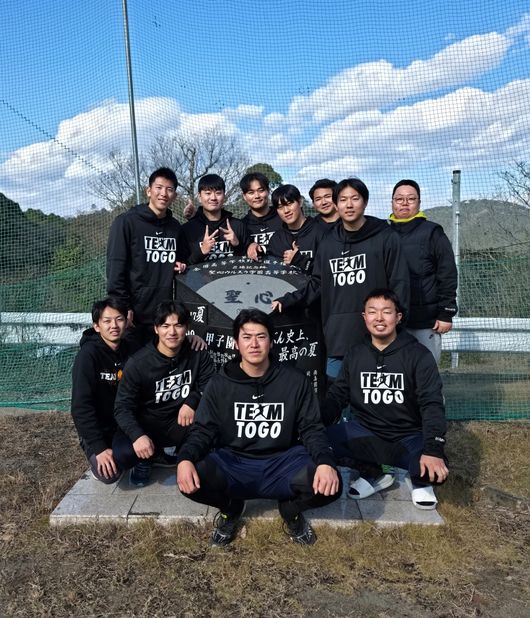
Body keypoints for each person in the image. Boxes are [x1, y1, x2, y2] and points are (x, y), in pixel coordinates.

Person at [176, 309, 341, 546]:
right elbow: (202, 430)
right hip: (234, 462)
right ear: (236, 344)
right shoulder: (219, 384)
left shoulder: (295, 381)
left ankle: (290, 509)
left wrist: (325, 461)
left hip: (282, 461)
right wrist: (185, 458)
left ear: (271, 342)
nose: (254, 344)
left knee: (331, 483)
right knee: (191, 477)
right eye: (247, 337)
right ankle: (231, 508)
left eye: (261, 337)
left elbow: (311, 428)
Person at [272, 178, 409, 380]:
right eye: (343, 199)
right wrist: (287, 300)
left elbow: (399, 283)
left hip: (378, 337)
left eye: (355, 198)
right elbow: (317, 284)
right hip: (338, 338)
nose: (349, 204)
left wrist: (398, 326)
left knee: (372, 396)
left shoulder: (386, 237)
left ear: (365, 202)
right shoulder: (328, 243)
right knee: (338, 394)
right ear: (337, 205)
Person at [323, 289, 448, 510]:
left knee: (434, 470)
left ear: (398, 317)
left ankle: (419, 481)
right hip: (367, 433)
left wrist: (433, 450)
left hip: (408, 436)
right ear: (364, 317)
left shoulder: (418, 355)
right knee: (317, 442)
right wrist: (313, 422)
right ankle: (375, 473)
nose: (379, 318)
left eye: (386, 312)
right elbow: (337, 395)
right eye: (372, 312)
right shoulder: (355, 353)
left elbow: (432, 405)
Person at [113, 301, 215, 487]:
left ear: (187, 328)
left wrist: (192, 401)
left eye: (178, 325)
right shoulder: (138, 363)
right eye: (165, 326)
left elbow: (210, 385)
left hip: (181, 421)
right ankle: (146, 459)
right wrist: (137, 435)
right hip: (149, 424)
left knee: (215, 435)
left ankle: (181, 455)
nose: (172, 332)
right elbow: (122, 407)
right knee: (123, 454)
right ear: (156, 328)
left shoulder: (198, 353)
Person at [106, 167, 187, 346]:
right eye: (159, 188)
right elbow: (115, 268)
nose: (163, 193)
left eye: (169, 189)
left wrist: (180, 265)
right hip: (133, 317)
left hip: (164, 319)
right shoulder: (126, 222)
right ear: (148, 191)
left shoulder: (175, 228)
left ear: (174, 196)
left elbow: (182, 260)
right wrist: (122, 307)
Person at [71, 297, 139, 483]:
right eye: (107, 321)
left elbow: (164, 343)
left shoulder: (133, 348)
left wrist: (191, 337)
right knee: (109, 475)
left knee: (131, 454)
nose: (114, 325)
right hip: (99, 427)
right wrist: (99, 447)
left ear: (127, 322)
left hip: (124, 423)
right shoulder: (88, 356)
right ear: (96, 326)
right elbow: (80, 407)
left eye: (119, 319)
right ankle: (94, 451)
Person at [389, 179, 458, 363]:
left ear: (419, 203)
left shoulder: (433, 232)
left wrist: (446, 313)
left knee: (426, 373)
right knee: (396, 375)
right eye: (399, 199)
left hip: (426, 322)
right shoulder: (384, 234)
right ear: (392, 202)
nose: (404, 203)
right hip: (391, 322)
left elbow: (447, 274)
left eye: (411, 199)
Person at [181, 173, 250, 263]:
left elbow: (249, 262)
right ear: (199, 197)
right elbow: (183, 265)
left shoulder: (238, 225)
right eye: (208, 193)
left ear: (224, 196)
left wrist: (237, 245)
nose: (213, 198)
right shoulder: (187, 229)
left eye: (218, 193)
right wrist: (201, 252)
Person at [266, 184, 326, 273]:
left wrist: (300, 260)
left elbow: (329, 270)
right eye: (280, 207)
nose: (286, 211)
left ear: (300, 202)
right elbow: (273, 273)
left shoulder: (321, 232)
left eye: (289, 204)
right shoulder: (276, 239)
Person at [240, 172, 283, 259]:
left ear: (268, 191)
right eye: (251, 192)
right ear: (244, 196)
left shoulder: (283, 218)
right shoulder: (241, 226)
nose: (257, 196)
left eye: (261, 190)